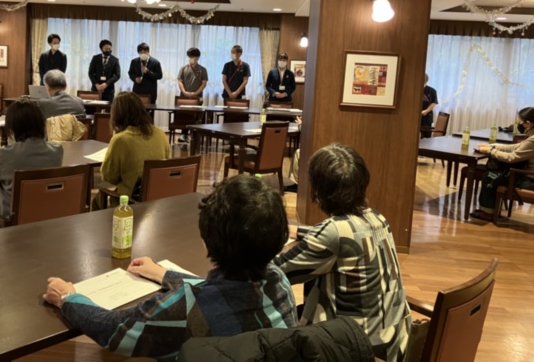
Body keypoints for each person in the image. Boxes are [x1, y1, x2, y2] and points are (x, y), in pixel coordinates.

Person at [43, 175, 297, 359]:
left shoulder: (185, 308)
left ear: (207, 237)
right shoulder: (280, 283)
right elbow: (219, 291)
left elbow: (115, 330)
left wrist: (67, 298)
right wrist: (164, 274)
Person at [274, 143, 411, 361]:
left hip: (356, 349)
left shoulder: (333, 234)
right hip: (392, 345)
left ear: (318, 190)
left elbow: (276, 272)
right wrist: (298, 231)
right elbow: (346, 237)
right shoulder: (378, 218)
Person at [0, 99, 63, 229]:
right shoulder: (57, 151)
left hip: (9, 227)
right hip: (44, 224)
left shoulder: (5, 155)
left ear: (13, 128)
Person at [100, 91, 170, 199]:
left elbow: (109, 177)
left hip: (130, 201)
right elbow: (166, 165)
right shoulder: (161, 134)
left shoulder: (120, 140)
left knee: (97, 200)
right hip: (157, 198)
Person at [471, 106, 534, 222]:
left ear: (528, 123)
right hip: (529, 176)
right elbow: (516, 147)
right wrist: (492, 146)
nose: (519, 125)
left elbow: (512, 157)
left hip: (530, 180)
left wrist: (491, 151)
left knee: (491, 176)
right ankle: (489, 210)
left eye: (521, 122)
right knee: (496, 173)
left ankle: (487, 213)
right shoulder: (532, 137)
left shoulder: (533, 139)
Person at [177, 47, 208, 143]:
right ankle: (184, 134)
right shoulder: (183, 68)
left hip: (197, 98)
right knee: (184, 116)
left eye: (192, 56)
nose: (190, 58)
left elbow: (204, 84)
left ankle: (195, 135)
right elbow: (180, 81)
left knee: (196, 117)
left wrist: (195, 93)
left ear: (197, 57)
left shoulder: (202, 69)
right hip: (184, 97)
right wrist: (184, 92)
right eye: (189, 56)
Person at [421, 73, 438, 138]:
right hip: (413, 117)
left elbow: (434, 102)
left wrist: (426, 111)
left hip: (426, 117)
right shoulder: (413, 89)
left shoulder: (432, 91)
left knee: (426, 137)